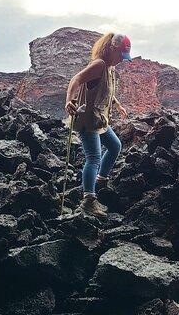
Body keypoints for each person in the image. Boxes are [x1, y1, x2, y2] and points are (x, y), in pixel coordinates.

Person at [64, 32, 132, 219]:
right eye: (121, 55)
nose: (121, 60)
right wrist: (69, 100)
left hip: (100, 119)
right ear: (112, 48)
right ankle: (88, 201)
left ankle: (100, 181)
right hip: (88, 119)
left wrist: (117, 105)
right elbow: (76, 80)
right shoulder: (99, 65)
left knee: (115, 146)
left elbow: (106, 90)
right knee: (93, 158)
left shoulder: (110, 68)